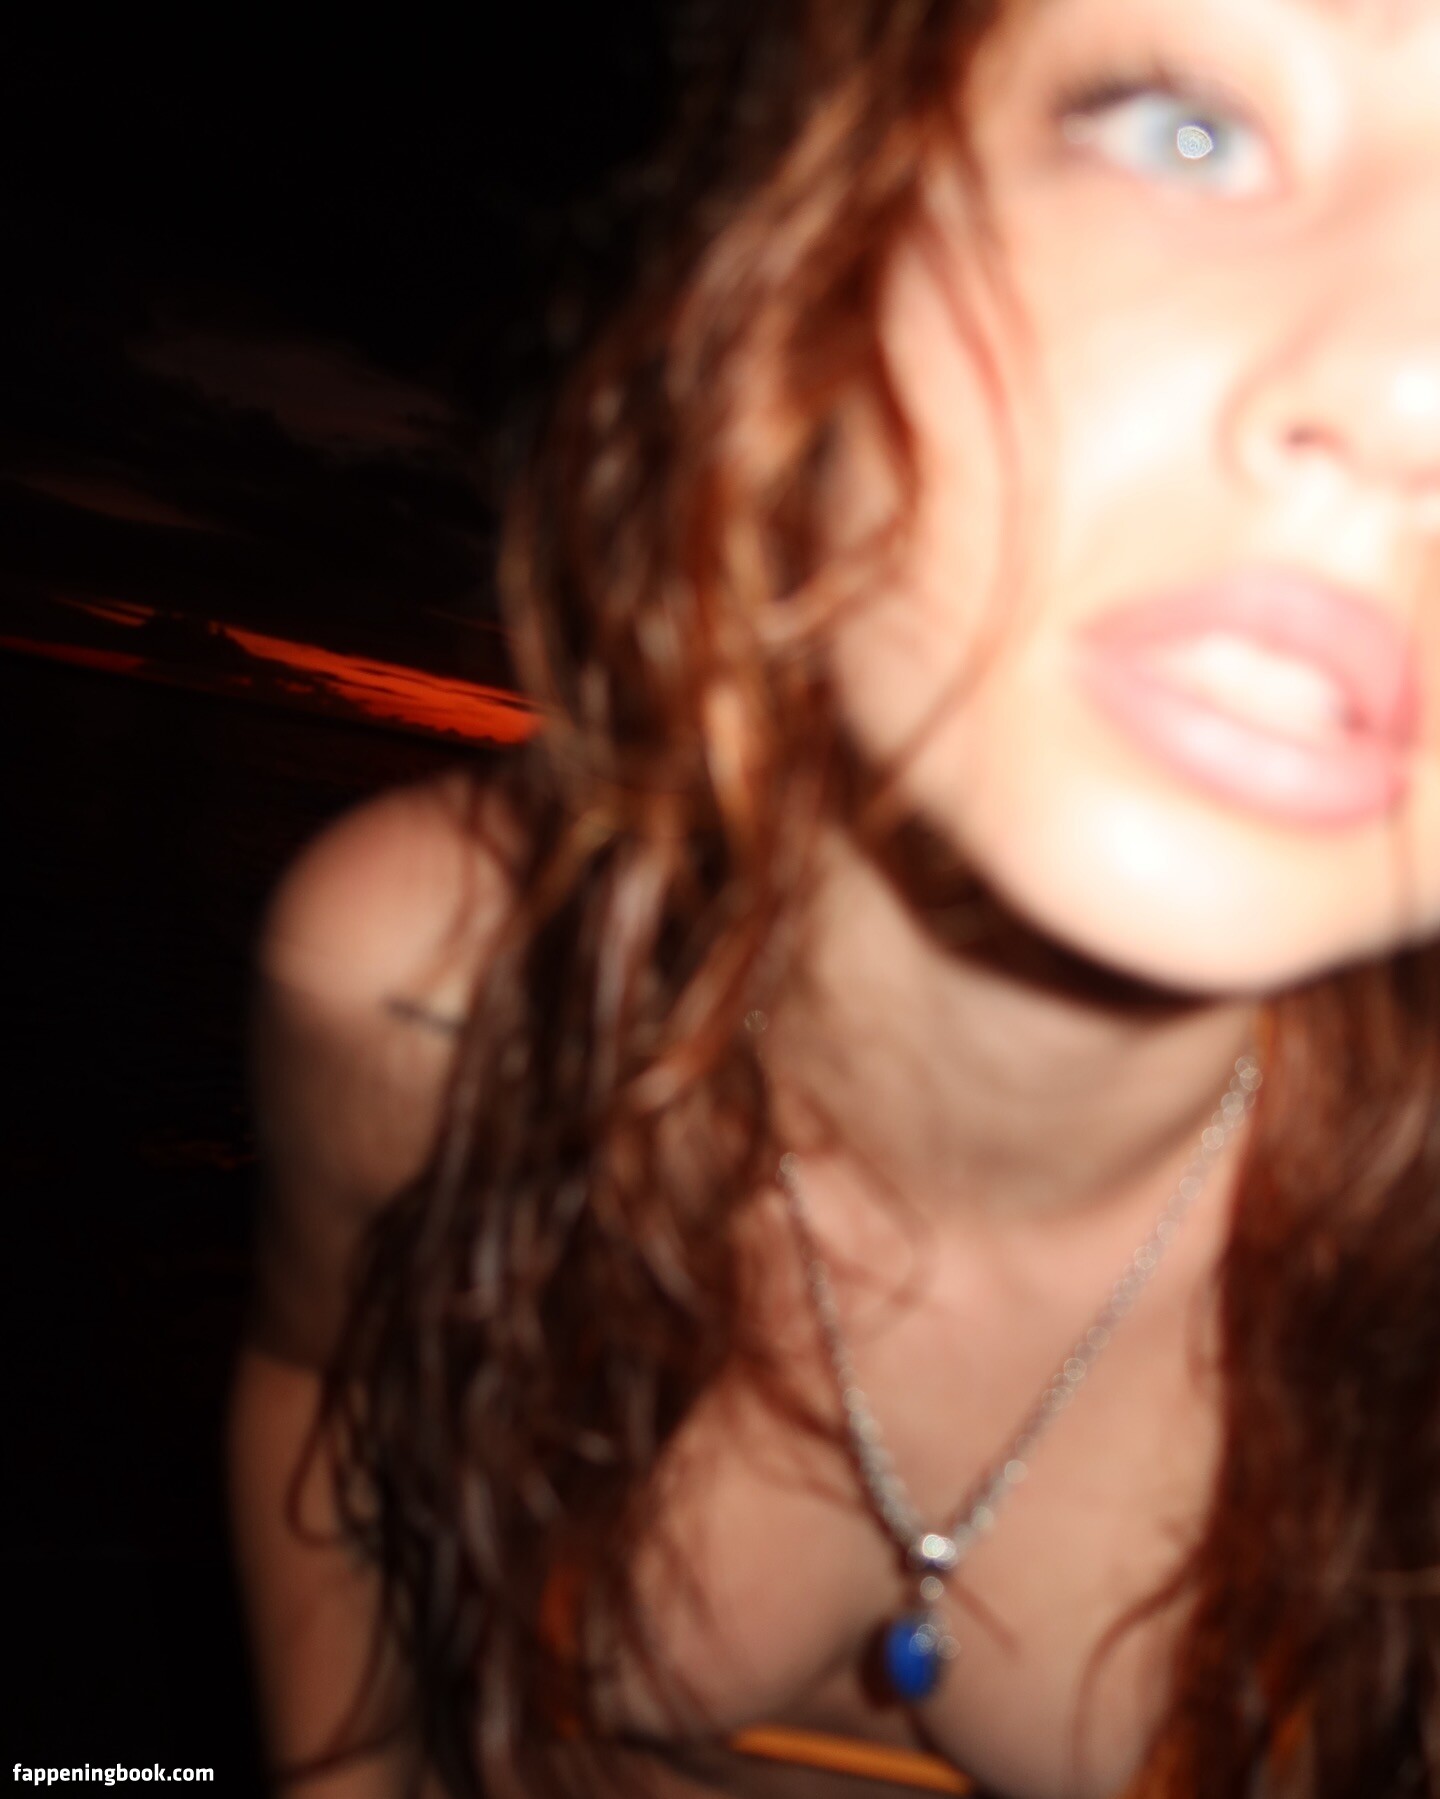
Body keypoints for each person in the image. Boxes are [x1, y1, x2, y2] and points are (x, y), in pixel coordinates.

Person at [227, 0, 1440, 1793]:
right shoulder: (434, 984)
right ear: (806, 243)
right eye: (1186, 125)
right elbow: (312, 1393)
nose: (1414, 395)